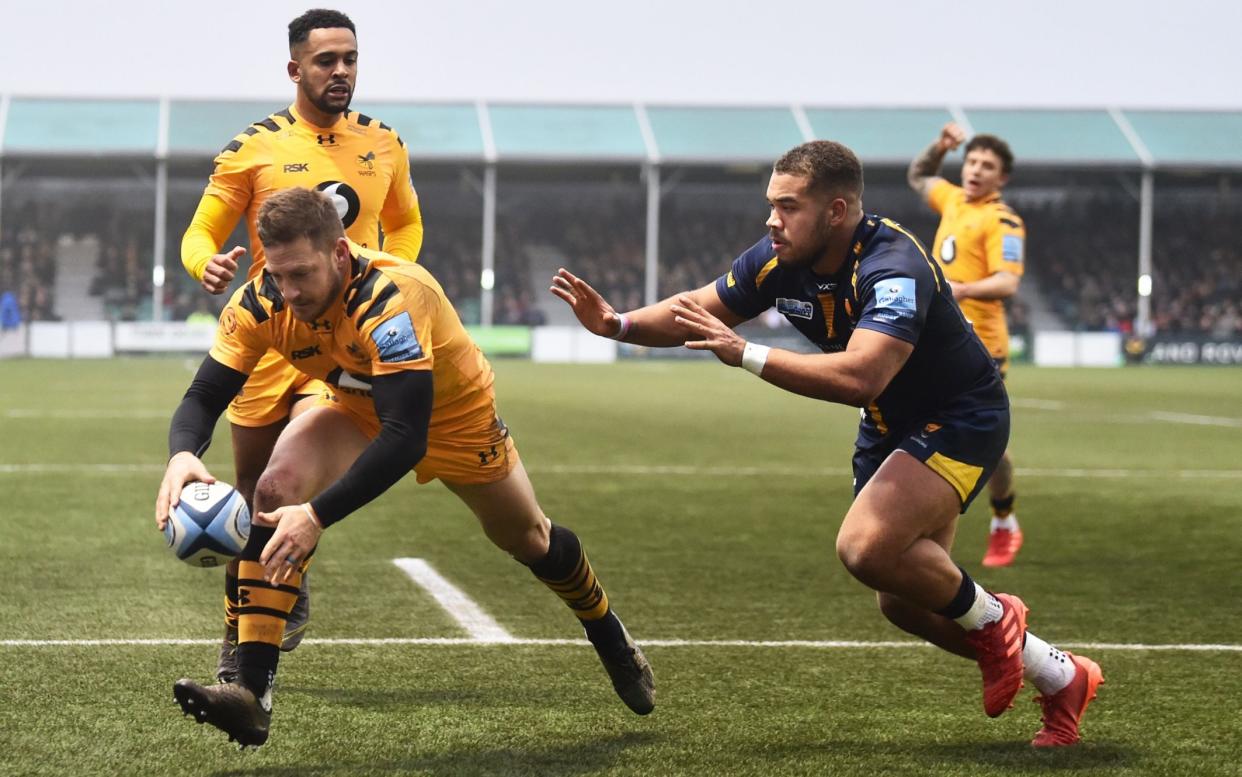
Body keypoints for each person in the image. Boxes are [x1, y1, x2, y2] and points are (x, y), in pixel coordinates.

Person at [551, 141, 1101, 748]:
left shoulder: (893, 264)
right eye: (771, 205)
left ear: (835, 210)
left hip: (960, 415)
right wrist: (618, 325)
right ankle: (1061, 676)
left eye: (787, 206)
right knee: (903, 603)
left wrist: (746, 354)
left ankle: (998, 619)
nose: (771, 220)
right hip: (890, 424)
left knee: (865, 548)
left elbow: (862, 375)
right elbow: (698, 308)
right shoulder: (778, 258)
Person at [156, 188, 654, 747]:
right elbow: (204, 394)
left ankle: (607, 632)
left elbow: (407, 436)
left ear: (340, 254)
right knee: (272, 491)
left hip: (454, 420)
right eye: (279, 274)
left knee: (532, 540)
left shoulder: (393, 298)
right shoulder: (261, 301)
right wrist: (181, 455)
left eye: (302, 274)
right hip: (356, 409)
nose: (289, 291)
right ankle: (251, 695)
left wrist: (317, 517)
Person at [179, 8, 425, 680]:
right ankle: (241, 625)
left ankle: (250, 652)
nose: (341, 70)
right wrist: (209, 266)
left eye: (350, 58)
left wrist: (385, 276)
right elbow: (199, 233)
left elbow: (407, 226)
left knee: (289, 483)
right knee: (252, 494)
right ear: (295, 68)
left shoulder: (386, 144)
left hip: (343, 344)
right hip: (267, 338)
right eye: (326, 60)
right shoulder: (251, 147)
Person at [907, 123, 1027, 567]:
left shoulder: (1003, 220)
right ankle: (917, 515)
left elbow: (1008, 281)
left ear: (1002, 178)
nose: (976, 170)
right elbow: (918, 176)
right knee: (916, 420)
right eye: (972, 161)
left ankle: (1003, 519)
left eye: (987, 166)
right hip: (936, 338)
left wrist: (960, 290)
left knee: (984, 441)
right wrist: (940, 146)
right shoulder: (953, 198)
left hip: (982, 347)